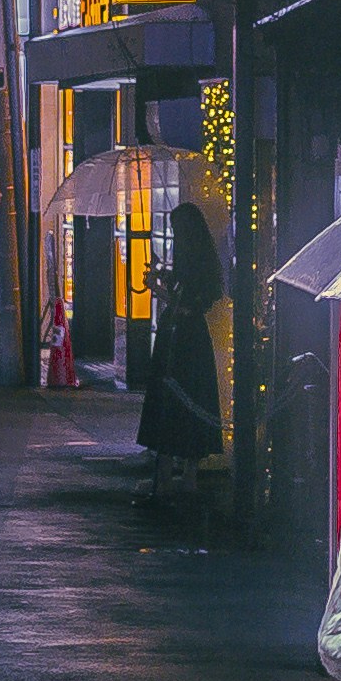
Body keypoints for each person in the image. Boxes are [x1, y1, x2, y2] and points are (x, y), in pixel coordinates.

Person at [138, 200, 227, 507]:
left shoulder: (193, 262)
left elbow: (186, 304)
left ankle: (166, 477)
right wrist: (164, 281)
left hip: (180, 337)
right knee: (190, 401)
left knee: (171, 402)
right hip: (189, 338)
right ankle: (187, 475)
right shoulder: (203, 261)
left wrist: (159, 290)